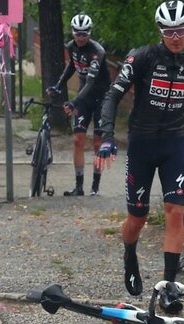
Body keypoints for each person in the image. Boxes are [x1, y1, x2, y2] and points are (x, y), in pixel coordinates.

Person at [95, 1, 184, 296]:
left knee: (175, 211)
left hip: (174, 143)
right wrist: (107, 137)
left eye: (181, 30)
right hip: (142, 144)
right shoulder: (142, 57)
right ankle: (129, 253)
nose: (176, 37)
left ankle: (169, 285)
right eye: (169, 31)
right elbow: (112, 96)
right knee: (138, 217)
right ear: (160, 31)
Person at [47, 13, 111, 196]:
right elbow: (71, 67)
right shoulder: (71, 46)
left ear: (89, 33)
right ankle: (79, 186)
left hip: (101, 97)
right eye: (77, 34)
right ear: (73, 33)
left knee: (98, 143)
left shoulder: (97, 51)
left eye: (84, 34)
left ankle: (95, 187)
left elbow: (91, 83)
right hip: (85, 97)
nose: (81, 37)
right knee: (77, 140)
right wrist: (59, 86)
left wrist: (74, 102)